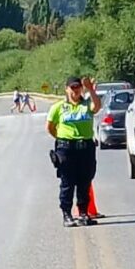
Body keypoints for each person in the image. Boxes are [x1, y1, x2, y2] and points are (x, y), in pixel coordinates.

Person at [47, 76, 103, 227]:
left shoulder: (87, 104)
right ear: (67, 89)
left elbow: (97, 107)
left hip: (85, 148)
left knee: (85, 182)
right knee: (68, 183)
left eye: (78, 87)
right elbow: (50, 127)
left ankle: (84, 213)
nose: (75, 90)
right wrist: (62, 139)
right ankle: (67, 214)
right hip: (66, 149)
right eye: (72, 87)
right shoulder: (59, 107)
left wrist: (91, 89)